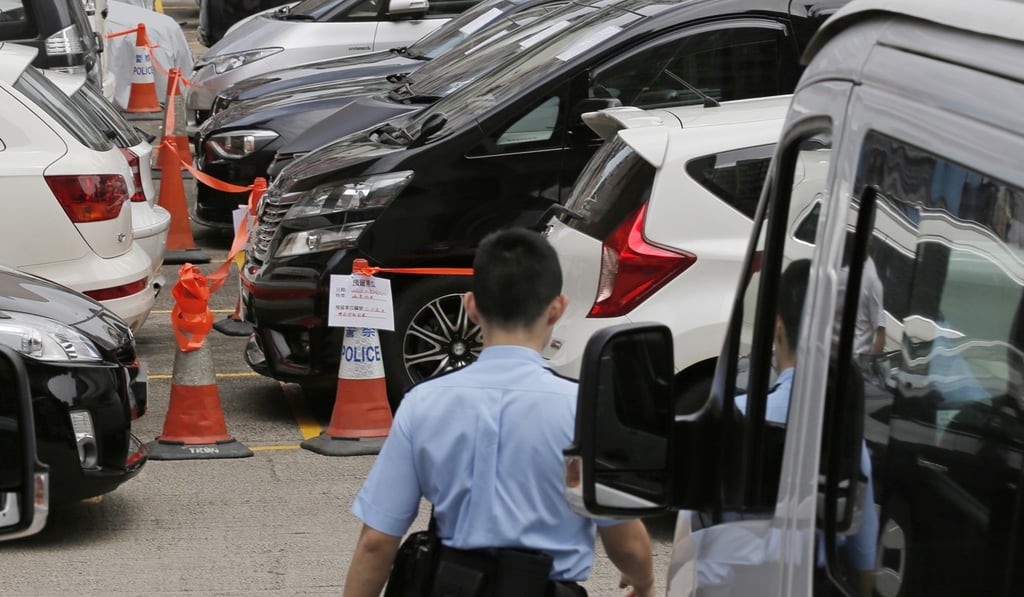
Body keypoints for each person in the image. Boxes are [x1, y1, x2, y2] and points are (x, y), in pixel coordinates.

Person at [343, 228, 655, 597]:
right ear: (557, 308)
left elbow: (377, 542)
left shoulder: (422, 404)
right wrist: (644, 582)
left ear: (472, 307)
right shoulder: (582, 410)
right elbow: (627, 542)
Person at [736, 259, 879, 597]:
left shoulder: (734, 419)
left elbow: (692, 536)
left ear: (779, 328)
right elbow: (864, 552)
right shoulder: (845, 436)